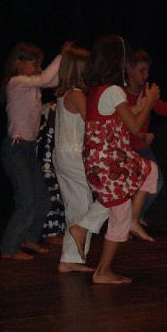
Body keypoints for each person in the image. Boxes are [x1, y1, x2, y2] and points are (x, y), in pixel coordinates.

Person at [69, 35, 159, 284]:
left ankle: (88, 227)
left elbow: (119, 123)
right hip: (108, 161)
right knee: (120, 210)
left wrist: (141, 105)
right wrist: (149, 102)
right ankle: (103, 271)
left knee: (149, 170)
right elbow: (134, 127)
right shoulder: (113, 91)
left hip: (106, 159)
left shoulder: (97, 90)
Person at [0, 41, 64, 260]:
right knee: (27, 200)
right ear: (18, 63)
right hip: (15, 148)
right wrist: (62, 55)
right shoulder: (15, 82)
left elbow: (51, 79)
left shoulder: (32, 85)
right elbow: (47, 78)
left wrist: (63, 62)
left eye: (39, 63)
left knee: (42, 199)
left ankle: (29, 238)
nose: (38, 68)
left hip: (28, 149)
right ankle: (9, 248)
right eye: (34, 63)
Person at [52, 44, 97, 273]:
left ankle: (71, 258)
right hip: (73, 154)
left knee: (76, 205)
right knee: (85, 204)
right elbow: (93, 124)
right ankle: (73, 256)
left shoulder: (65, 93)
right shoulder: (77, 94)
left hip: (63, 154)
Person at [125, 49, 167, 224]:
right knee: (126, 187)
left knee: (157, 181)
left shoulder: (147, 91)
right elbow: (123, 124)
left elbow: (162, 109)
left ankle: (136, 216)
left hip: (143, 147)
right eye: (142, 70)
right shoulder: (119, 93)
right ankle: (127, 220)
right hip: (125, 148)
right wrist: (142, 134)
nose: (146, 75)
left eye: (148, 70)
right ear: (129, 69)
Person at [38, 102, 65, 245]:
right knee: (51, 196)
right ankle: (50, 232)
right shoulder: (45, 131)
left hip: (53, 163)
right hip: (46, 164)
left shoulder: (53, 130)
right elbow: (43, 150)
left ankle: (58, 229)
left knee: (58, 196)